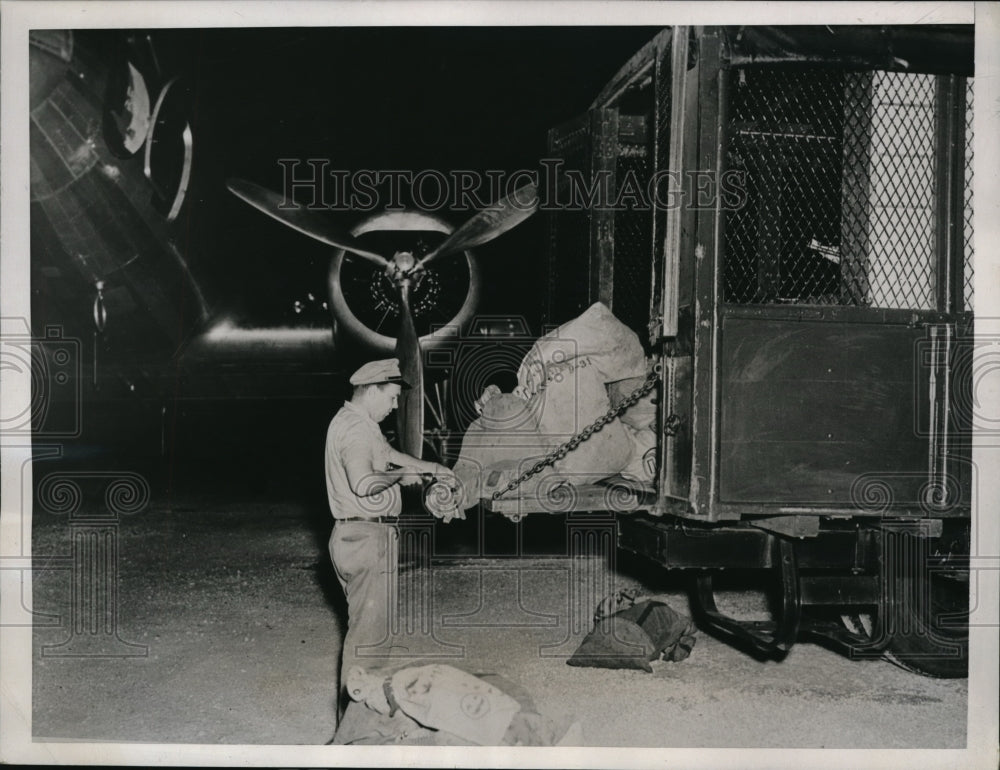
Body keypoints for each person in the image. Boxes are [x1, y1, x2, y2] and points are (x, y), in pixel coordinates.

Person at [324, 357, 455, 705]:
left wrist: (432, 467)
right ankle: (357, 731)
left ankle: (361, 722)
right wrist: (403, 478)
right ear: (370, 391)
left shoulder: (359, 422)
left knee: (370, 635)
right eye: (392, 396)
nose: (396, 404)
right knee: (369, 644)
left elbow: (388, 453)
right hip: (367, 539)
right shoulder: (355, 430)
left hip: (359, 537)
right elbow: (364, 483)